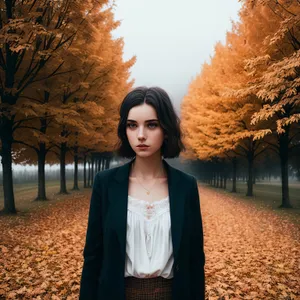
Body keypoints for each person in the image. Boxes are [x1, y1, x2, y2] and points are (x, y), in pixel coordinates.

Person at [79, 87, 205, 300]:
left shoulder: (186, 186)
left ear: (166, 129)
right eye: (132, 125)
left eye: (151, 125)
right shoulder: (106, 184)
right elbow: (93, 258)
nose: (140, 135)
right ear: (124, 130)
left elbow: (195, 262)